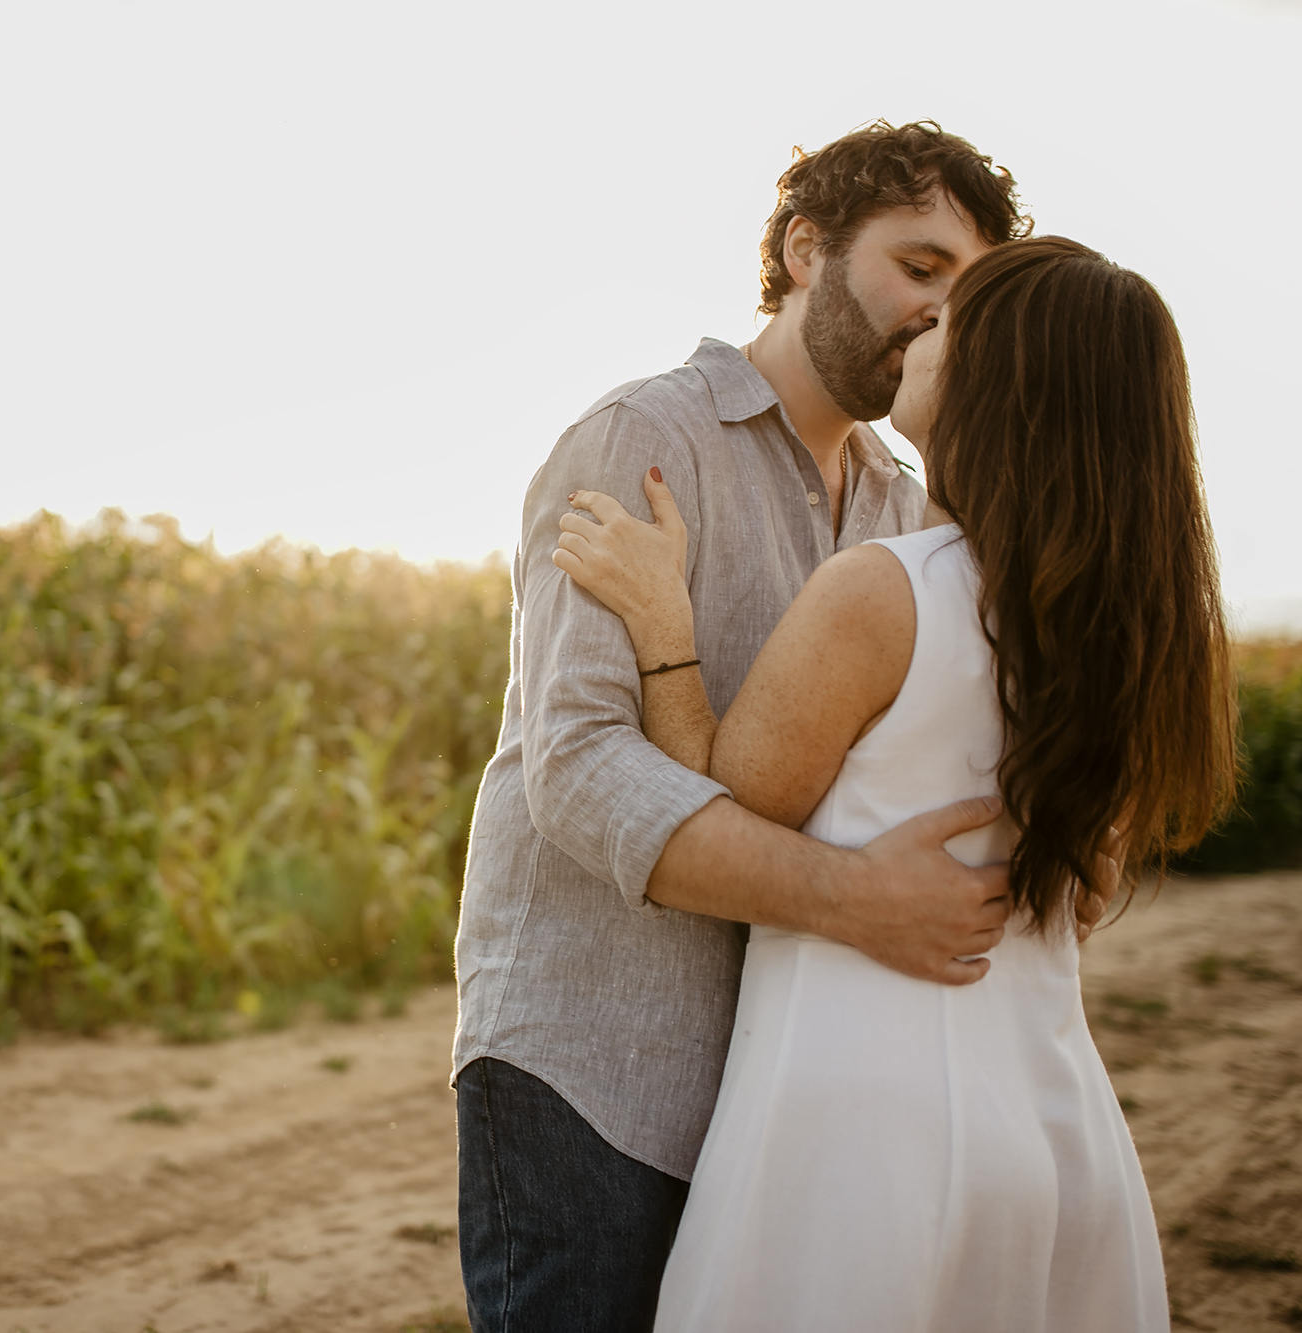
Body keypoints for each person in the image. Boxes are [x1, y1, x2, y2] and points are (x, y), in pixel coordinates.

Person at [556, 235, 1233, 1330]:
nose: (920, 331)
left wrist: (662, 629)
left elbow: (722, 796)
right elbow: (1092, 888)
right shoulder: (1133, 638)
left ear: (997, 381)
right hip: (1055, 1123)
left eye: (948, 319)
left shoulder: (881, 593)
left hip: (859, 1125)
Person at [453, 120, 1036, 1331]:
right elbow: (576, 768)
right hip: (598, 1056)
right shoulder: (640, 437)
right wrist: (852, 896)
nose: (935, 315)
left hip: (789, 1075)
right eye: (915, 268)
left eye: (960, 295)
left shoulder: (905, 501)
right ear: (803, 247)